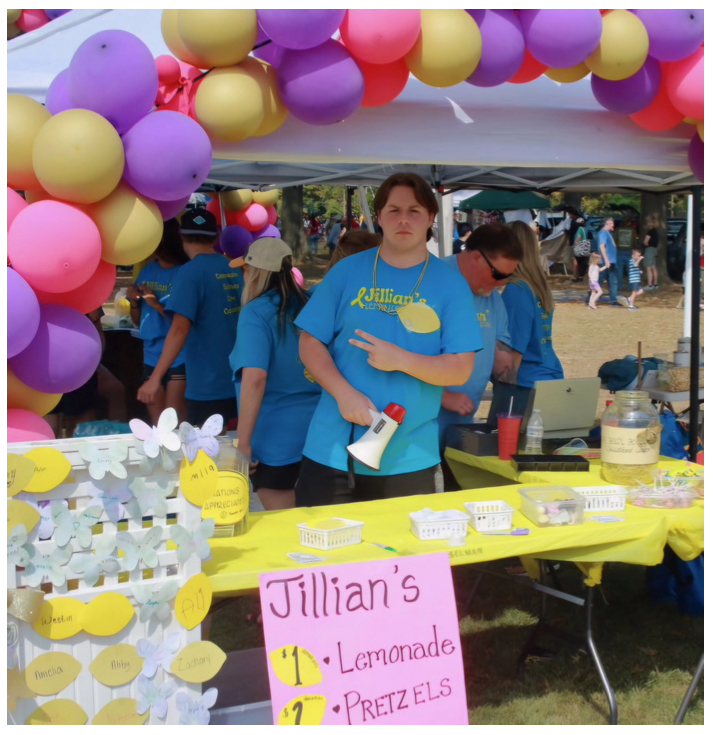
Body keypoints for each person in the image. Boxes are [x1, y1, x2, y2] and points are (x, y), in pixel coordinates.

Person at [294, 172, 482, 506]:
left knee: (399, 557)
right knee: (325, 555)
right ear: (378, 216)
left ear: (431, 218)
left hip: (407, 457)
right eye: (393, 210)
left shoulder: (450, 285)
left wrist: (400, 360)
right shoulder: (347, 271)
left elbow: (459, 369)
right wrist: (344, 394)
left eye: (414, 211)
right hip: (330, 450)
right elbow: (309, 342)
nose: (404, 220)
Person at [229, 238, 321, 511]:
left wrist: (243, 443)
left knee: (286, 521)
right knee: (318, 515)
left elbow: (255, 377)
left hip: (275, 437)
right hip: (321, 428)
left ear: (256, 272)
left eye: (244, 269)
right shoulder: (311, 303)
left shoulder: (255, 313)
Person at [138, 208, 243, 427]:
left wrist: (156, 378)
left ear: (182, 237)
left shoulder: (190, 272)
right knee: (231, 447)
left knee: (205, 453)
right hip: (237, 375)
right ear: (215, 237)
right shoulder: (233, 267)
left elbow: (179, 329)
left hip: (207, 383)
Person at [437, 223, 523, 453]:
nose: (501, 283)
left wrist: (519, 400)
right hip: (421, 431)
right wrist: (441, 396)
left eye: (509, 276)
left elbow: (500, 354)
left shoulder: (491, 295)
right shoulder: (433, 280)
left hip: (462, 428)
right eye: (498, 274)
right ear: (476, 258)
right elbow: (402, 356)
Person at [128, 219, 188, 424]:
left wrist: (156, 304)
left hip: (179, 355)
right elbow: (136, 321)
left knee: (176, 423)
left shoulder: (184, 272)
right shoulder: (147, 272)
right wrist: (134, 302)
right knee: (158, 425)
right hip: (151, 354)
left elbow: (183, 322)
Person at [501, 221, 564, 388]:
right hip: (548, 375)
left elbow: (514, 350)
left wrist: (505, 389)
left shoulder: (516, 290)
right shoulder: (537, 285)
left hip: (526, 383)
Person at [597, 217, 621, 305]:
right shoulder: (603, 233)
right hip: (607, 262)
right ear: (606, 224)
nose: (613, 225)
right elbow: (602, 246)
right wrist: (606, 260)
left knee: (611, 281)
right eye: (611, 223)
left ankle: (613, 300)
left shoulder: (607, 233)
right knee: (603, 280)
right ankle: (613, 300)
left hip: (611, 261)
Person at [642, 214, 660, 290]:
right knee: (653, 267)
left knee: (648, 267)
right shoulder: (656, 231)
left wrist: (644, 244)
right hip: (654, 250)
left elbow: (645, 241)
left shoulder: (650, 231)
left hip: (649, 250)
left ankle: (649, 285)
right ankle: (655, 283)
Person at [571, 217, 590, 282]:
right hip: (584, 249)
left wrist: (574, 245)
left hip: (580, 249)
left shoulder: (580, 229)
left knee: (579, 262)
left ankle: (579, 277)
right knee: (582, 262)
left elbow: (578, 238)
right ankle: (581, 276)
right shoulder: (585, 229)